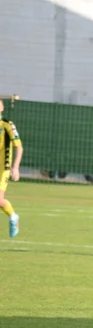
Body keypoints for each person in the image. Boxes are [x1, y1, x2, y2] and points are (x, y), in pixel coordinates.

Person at [0, 98, 23, 238]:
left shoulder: (7, 125)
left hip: (3, 168)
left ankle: (13, 216)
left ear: (2, 108)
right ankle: (13, 216)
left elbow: (19, 147)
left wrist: (16, 167)